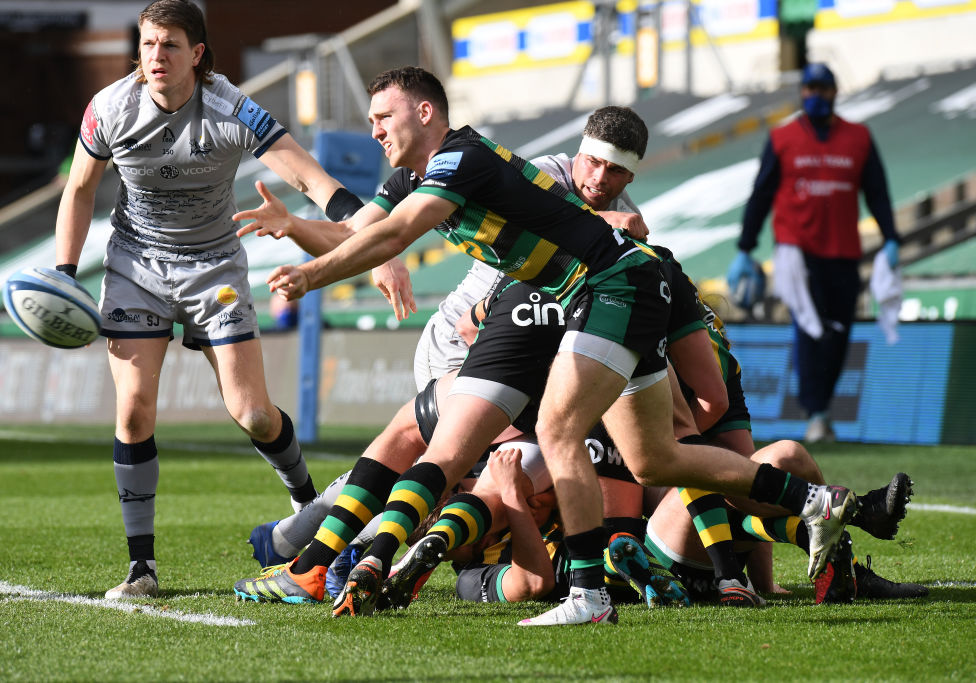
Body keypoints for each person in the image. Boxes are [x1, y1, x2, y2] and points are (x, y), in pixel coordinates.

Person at [245, 67, 874, 627]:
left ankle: (587, 592)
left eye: (384, 116)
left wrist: (308, 278)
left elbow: (393, 238)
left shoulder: (458, 161)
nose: (376, 129)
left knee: (553, 430)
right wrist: (297, 231)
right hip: (612, 290)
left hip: (606, 289)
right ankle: (815, 503)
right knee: (654, 457)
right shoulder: (418, 172)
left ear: (425, 112)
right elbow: (363, 232)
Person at [52, 0, 412, 599]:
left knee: (253, 414)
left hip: (214, 267)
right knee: (134, 411)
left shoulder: (231, 107)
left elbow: (310, 180)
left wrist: (376, 240)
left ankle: (306, 507)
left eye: (169, 45)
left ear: (196, 54)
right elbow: (80, 190)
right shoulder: (109, 108)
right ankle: (141, 568)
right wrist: (66, 271)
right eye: (146, 44)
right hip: (135, 264)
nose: (155, 56)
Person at [727, 62, 901, 443]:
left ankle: (821, 409)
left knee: (839, 331)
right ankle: (816, 414)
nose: (817, 95)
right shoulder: (782, 138)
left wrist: (891, 237)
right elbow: (761, 195)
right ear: (802, 93)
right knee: (811, 330)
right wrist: (745, 247)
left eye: (824, 88)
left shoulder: (858, 138)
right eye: (810, 88)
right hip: (797, 252)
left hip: (843, 252)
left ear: (835, 92)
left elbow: (877, 192)